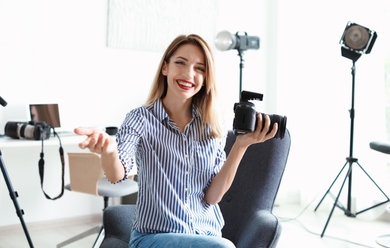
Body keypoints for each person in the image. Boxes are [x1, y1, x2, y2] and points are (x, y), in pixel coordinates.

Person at [74, 34, 278, 248]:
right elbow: (116, 174)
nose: (189, 74)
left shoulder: (211, 126)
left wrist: (240, 146)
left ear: (206, 77)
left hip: (208, 235)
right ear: (165, 68)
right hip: (153, 238)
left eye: (199, 68)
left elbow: (213, 197)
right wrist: (109, 151)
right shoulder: (140, 119)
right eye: (180, 63)